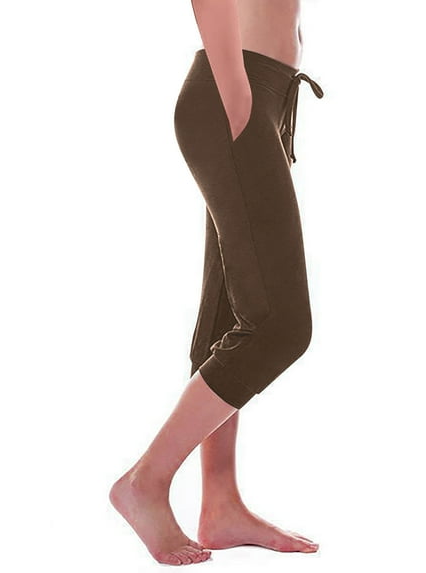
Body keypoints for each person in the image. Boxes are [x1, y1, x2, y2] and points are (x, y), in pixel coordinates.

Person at [109, 0, 324, 565]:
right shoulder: (235, 93)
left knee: (234, 309)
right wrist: (236, 95)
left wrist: (257, 108)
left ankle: (221, 502)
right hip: (236, 89)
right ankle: (146, 481)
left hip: (262, 95)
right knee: (279, 326)